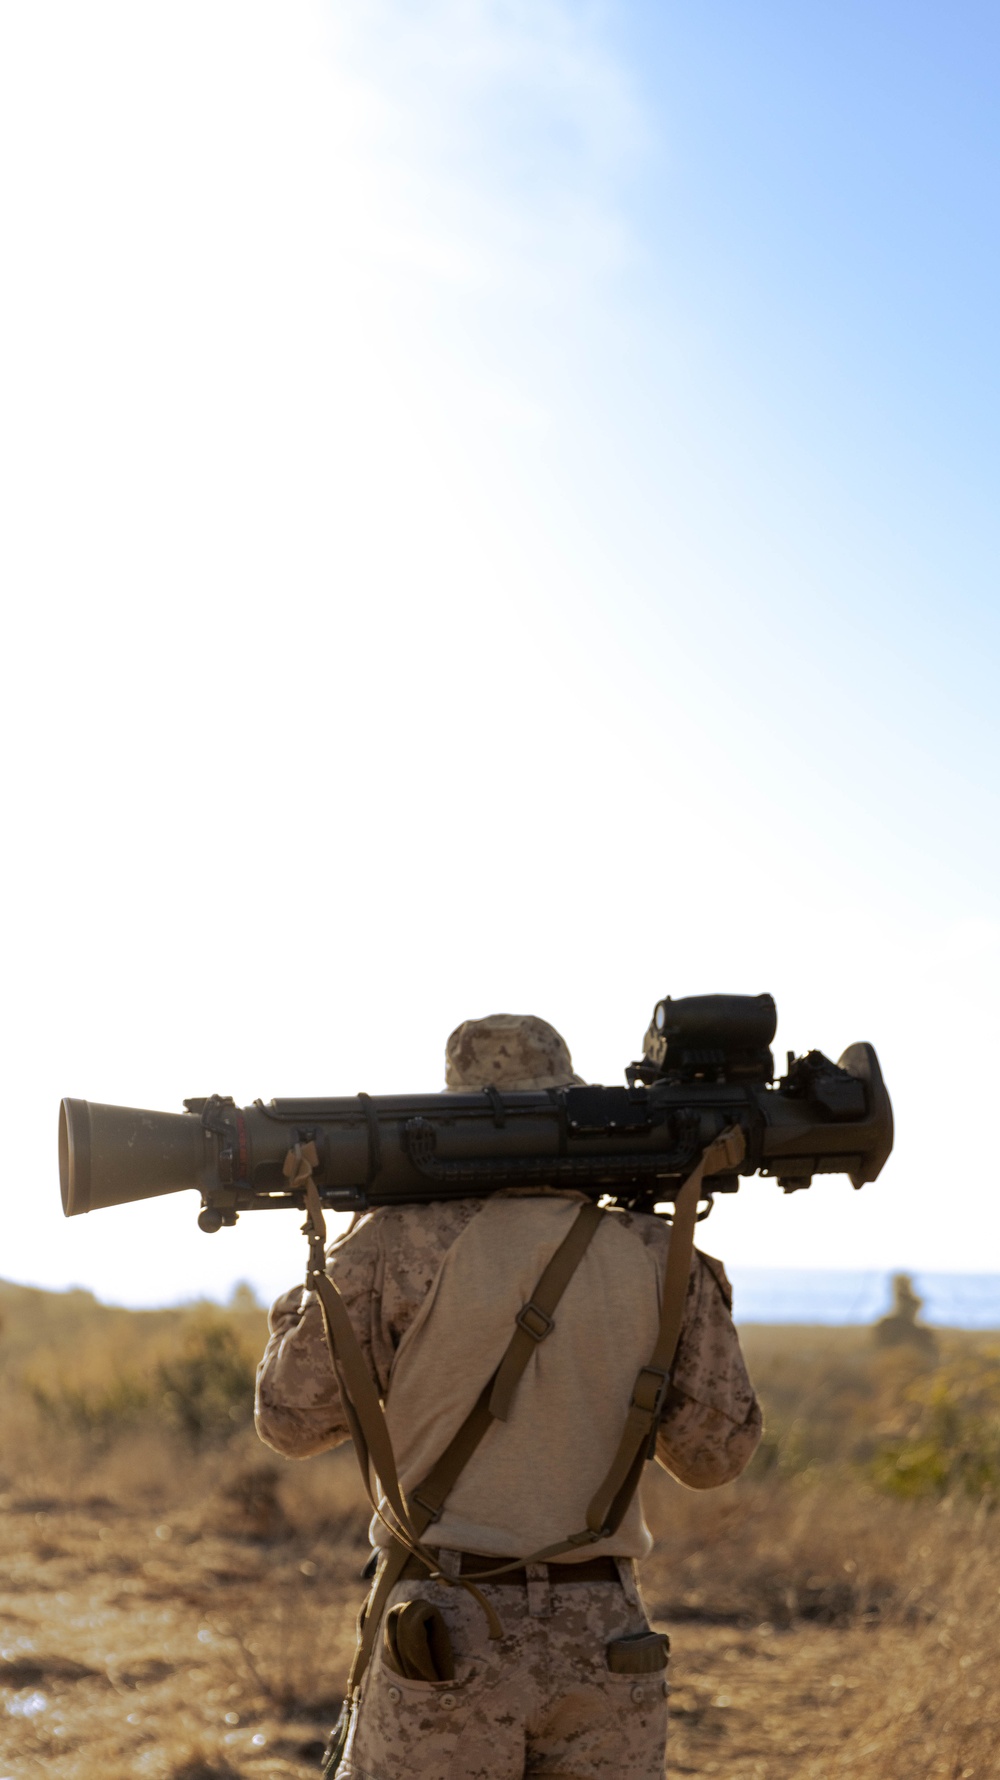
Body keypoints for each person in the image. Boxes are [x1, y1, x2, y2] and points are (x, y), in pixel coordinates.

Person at [256, 1013, 761, 1780]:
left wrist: (308, 1291)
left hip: (441, 1630)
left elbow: (289, 1421)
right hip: (605, 1638)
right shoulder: (665, 1256)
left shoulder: (392, 1244)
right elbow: (713, 1456)